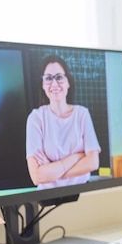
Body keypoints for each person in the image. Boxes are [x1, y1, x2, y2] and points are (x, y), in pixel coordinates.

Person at [26, 55, 101, 189]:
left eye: (59, 77)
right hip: (47, 201)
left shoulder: (82, 114)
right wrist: (76, 157)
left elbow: (93, 163)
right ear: (43, 84)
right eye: (48, 78)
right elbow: (37, 176)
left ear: (68, 82)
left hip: (82, 195)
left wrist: (52, 170)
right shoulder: (36, 118)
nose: (54, 84)